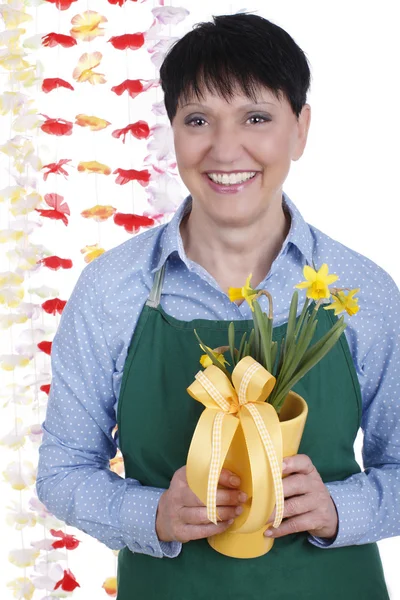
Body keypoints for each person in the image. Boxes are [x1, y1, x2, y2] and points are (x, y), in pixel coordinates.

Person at [36, 12, 399, 600]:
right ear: (173, 130)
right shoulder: (112, 290)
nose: (225, 149)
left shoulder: (362, 291)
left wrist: (338, 507)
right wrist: (152, 516)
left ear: (300, 129)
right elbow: (62, 470)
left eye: (256, 117)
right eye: (198, 119)